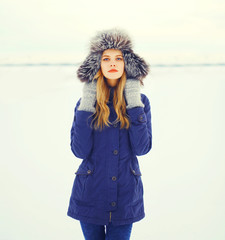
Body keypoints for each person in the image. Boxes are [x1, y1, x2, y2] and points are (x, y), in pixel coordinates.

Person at [67, 28, 152, 240]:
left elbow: (142, 148)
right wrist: (88, 102)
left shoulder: (141, 103)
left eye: (118, 58)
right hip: (90, 196)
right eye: (106, 58)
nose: (112, 63)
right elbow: (79, 150)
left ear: (127, 63)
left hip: (125, 198)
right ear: (98, 64)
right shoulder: (85, 104)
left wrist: (133, 101)